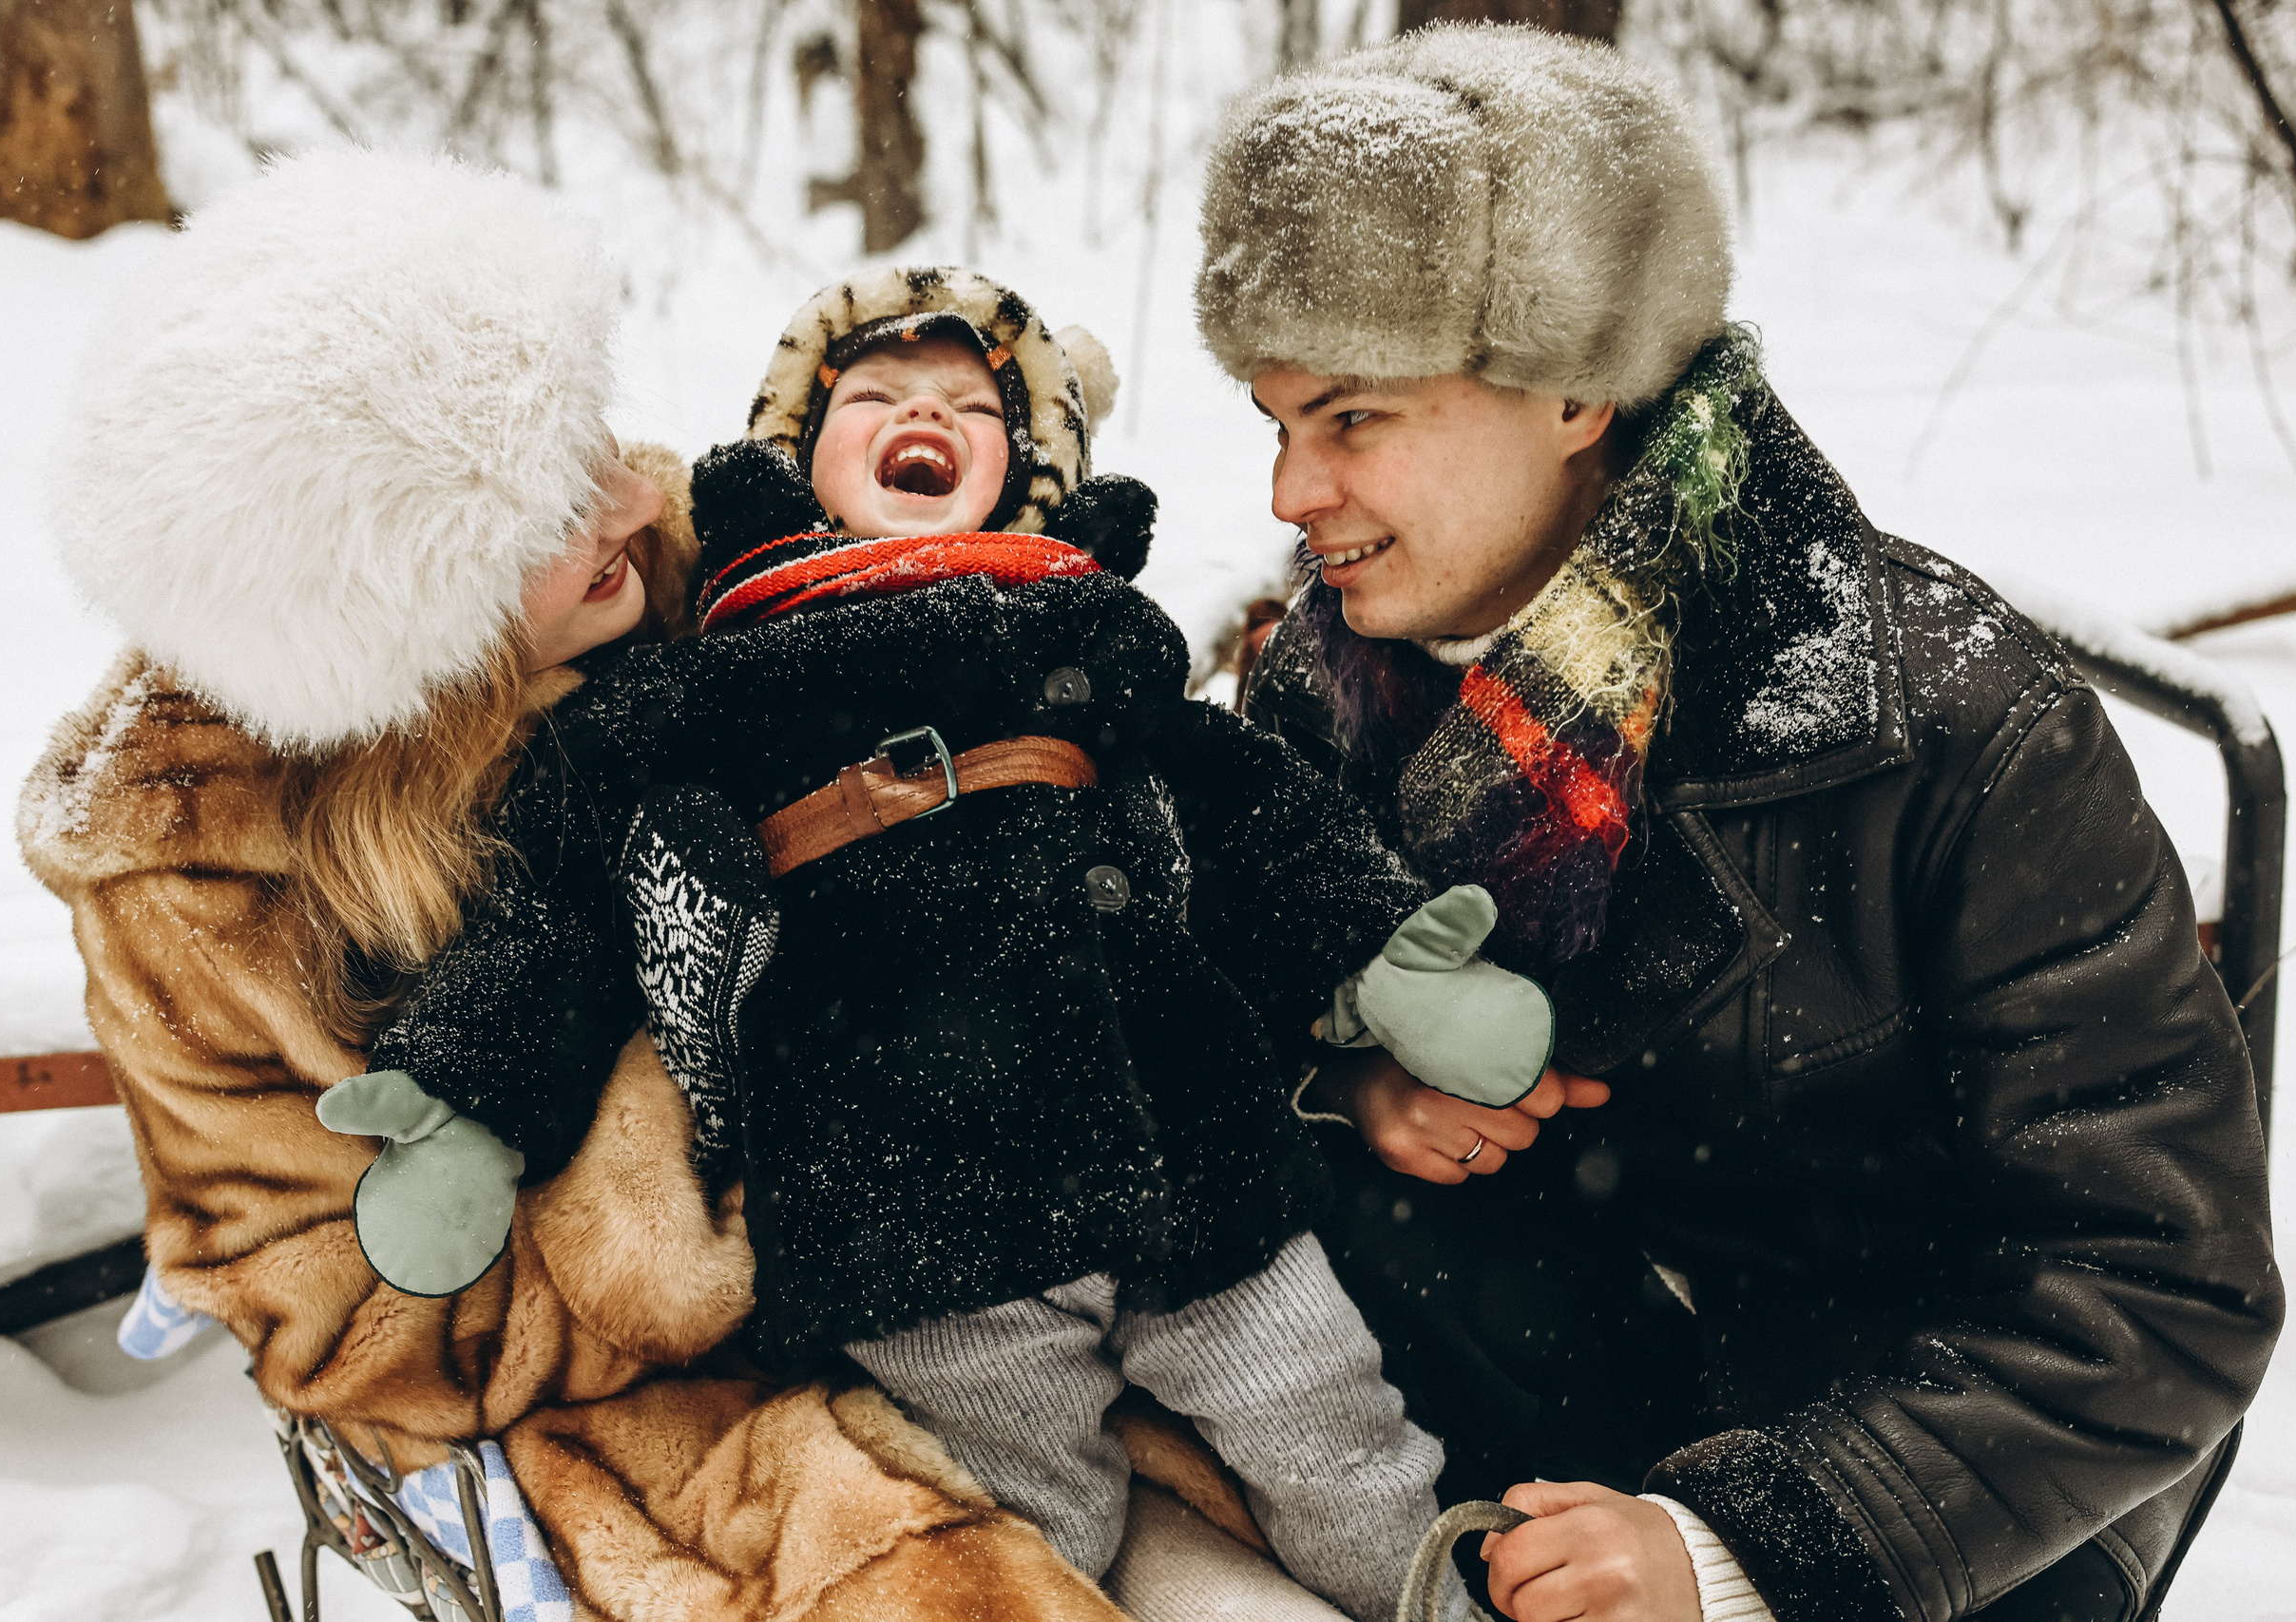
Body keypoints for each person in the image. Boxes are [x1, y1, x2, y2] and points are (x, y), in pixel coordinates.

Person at [1207, 26, 2285, 1622]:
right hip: (1545, 1383)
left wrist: (1744, 1548)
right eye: (1273, 420)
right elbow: (1221, 1020)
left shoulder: (1950, 723)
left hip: (1941, 1493)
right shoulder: (1323, 690)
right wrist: (1344, 1081)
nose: (1292, 493)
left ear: (1579, 390)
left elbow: (2162, 1285)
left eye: (1353, 419)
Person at [22, 147, 1154, 1622]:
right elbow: (355, 1322)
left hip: (983, 1195)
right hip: (624, 1369)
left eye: (594, 433)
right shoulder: (197, 873)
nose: (635, 492)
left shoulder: (679, 550)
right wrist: (693, 1190)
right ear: (406, 599)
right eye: (547, 501)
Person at [331, 263, 1558, 1622]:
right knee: (1025, 1539)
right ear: (797, 455)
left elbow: (1245, 804)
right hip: (915, 1211)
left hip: (1189, 1159)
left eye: (974, 405)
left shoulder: (1079, 635)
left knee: (1345, 1452)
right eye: (873, 395)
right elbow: (565, 901)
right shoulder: (709, 683)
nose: (926, 412)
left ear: (1030, 473)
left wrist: (1388, 956)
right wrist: (472, 1096)